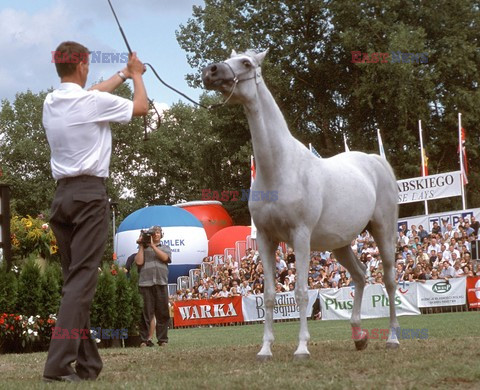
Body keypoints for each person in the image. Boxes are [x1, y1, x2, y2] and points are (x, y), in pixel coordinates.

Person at [42, 41, 148, 383]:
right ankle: (57, 367)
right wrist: (137, 77)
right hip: (89, 195)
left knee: (74, 283)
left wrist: (121, 73)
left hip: (62, 198)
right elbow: (140, 108)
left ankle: (88, 365)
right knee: (82, 281)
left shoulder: (51, 101)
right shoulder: (92, 101)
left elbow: (92, 93)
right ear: (84, 66)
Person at [135, 226, 172, 347]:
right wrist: (141, 245)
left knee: (163, 313)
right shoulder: (143, 248)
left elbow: (165, 258)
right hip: (146, 283)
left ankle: (162, 340)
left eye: (158, 232)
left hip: (161, 282)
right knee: (146, 313)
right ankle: (144, 340)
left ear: (161, 235)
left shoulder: (165, 248)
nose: (156, 234)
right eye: (153, 233)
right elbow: (139, 262)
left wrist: (153, 246)